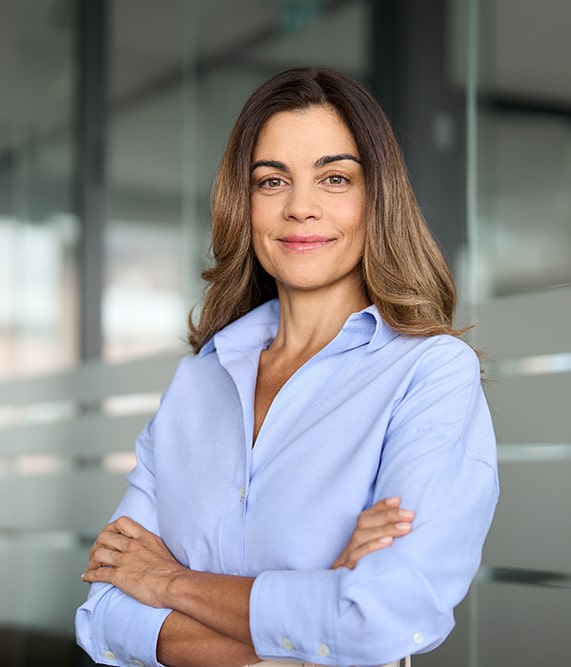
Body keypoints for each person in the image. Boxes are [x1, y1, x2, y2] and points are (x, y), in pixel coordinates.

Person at [76, 67, 498, 667]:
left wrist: (171, 584)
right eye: (272, 181)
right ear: (242, 204)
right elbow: (105, 608)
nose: (301, 208)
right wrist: (306, 621)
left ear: (376, 198)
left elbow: (382, 617)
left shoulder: (429, 374)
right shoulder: (200, 379)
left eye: (334, 178)